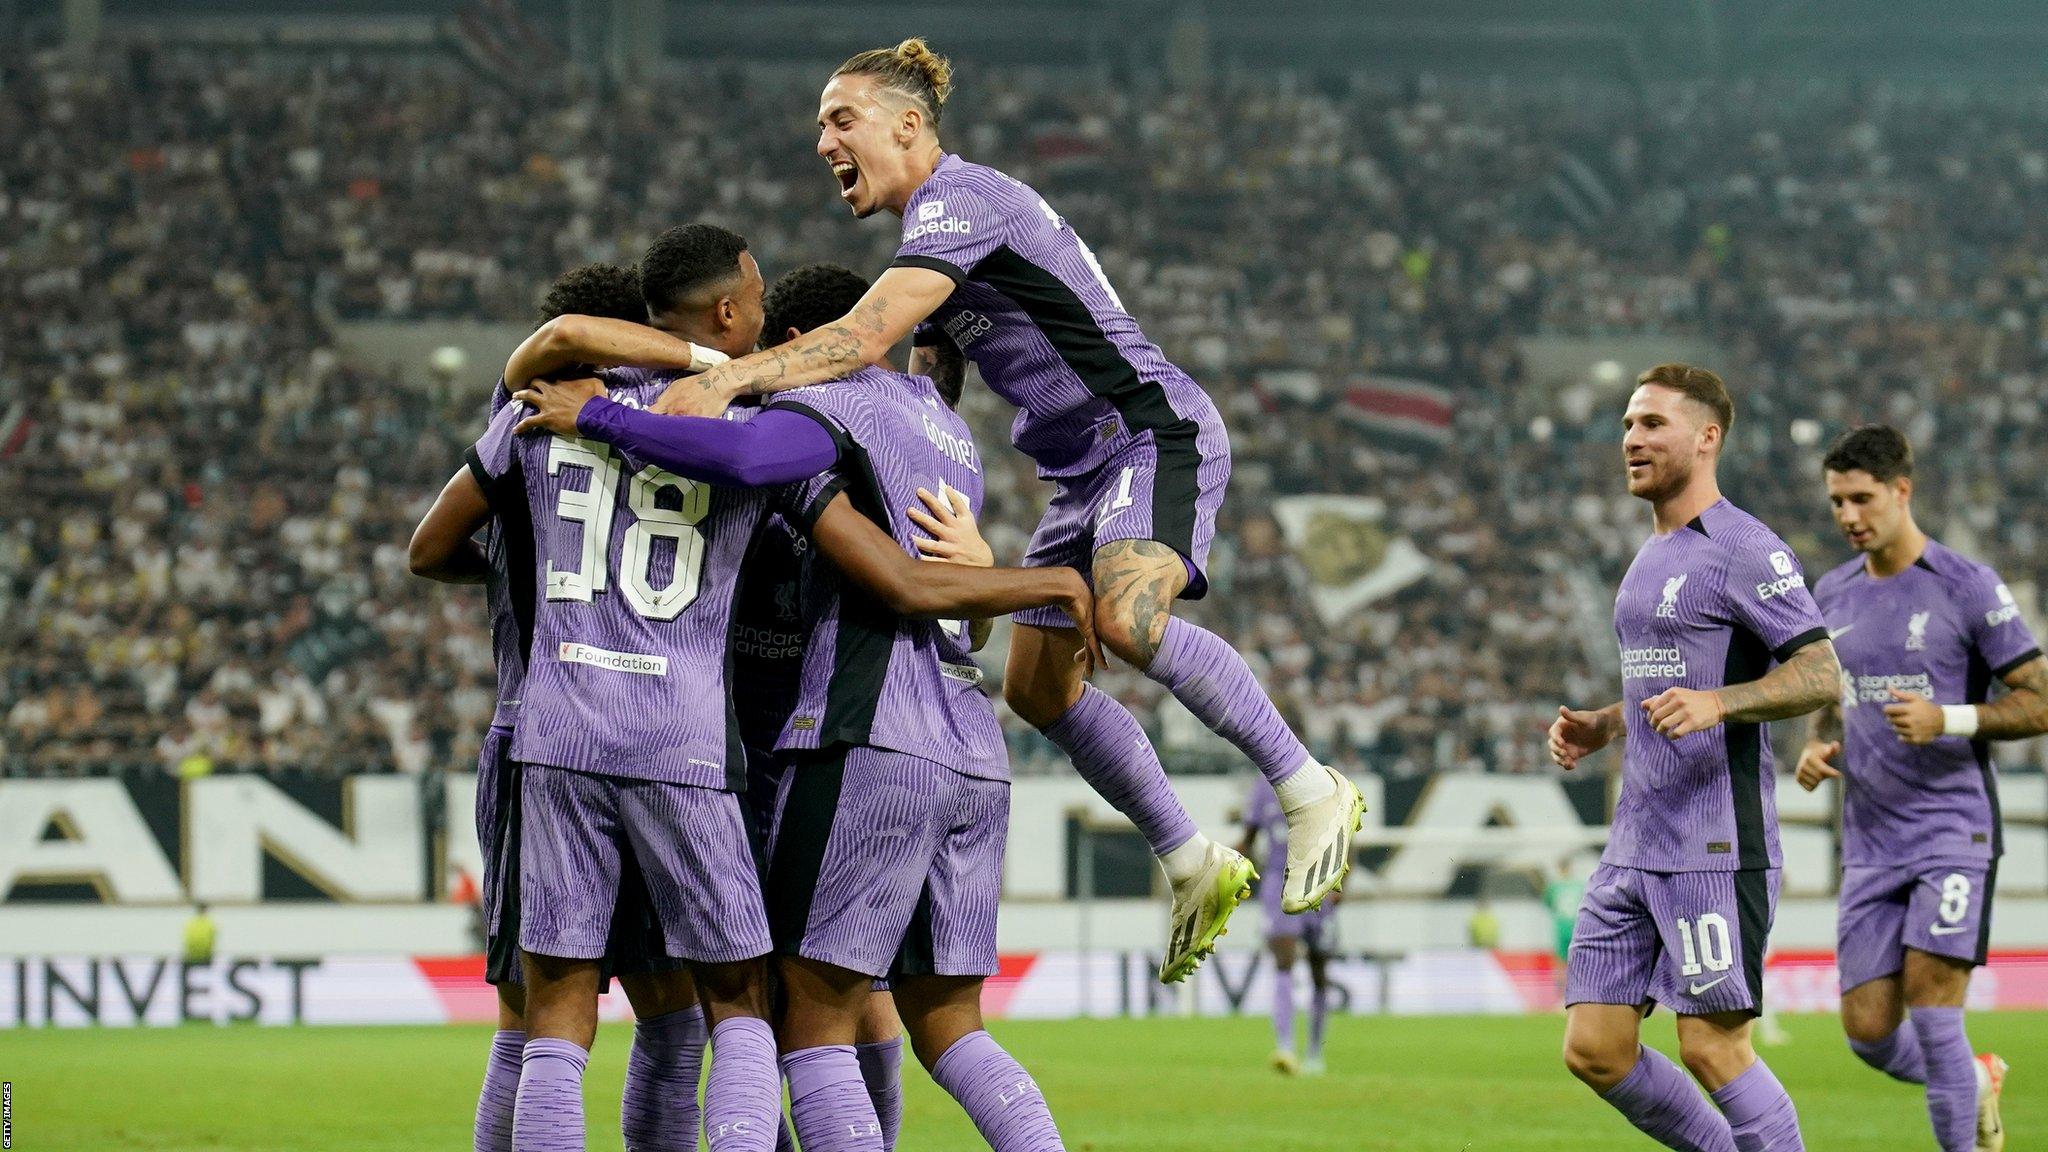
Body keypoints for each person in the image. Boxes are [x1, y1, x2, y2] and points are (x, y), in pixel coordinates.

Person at [583, 36, 1362, 984]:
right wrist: (934, 509)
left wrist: (729, 380)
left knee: (1125, 615)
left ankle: (1307, 783)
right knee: (1037, 689)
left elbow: (865, 333)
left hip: (1147, 431)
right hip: (1079, 472)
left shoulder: (965, 199)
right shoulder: (932, 242)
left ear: (909, 124)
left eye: (841, 119)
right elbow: (925, 393)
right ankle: (1191, 859)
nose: (823, 140)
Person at [517, 261, 1089, 1151]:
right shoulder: (936, 422)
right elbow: (946, 604)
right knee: (941, 1023)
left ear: (795, 350)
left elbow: (761, 463)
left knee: (799, 1018)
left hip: (853, 738)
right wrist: (987, 578)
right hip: (969, 747)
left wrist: (600, 415)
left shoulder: (822, 409)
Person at [409, 261, 708, 1152]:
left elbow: (427, 551)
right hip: (662, 732)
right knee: (674, 1011)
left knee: (534, 1013)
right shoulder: (683, 420)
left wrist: (509, 565)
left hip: (539, 731)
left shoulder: (525, 424)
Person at [1548, 363, 1840, 1151]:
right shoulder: (1650, 557)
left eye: (1652, 424)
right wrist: (1607, 724)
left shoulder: (1744, 547)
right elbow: (1673, 682)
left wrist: (1723, 702)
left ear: (1707, 438)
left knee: (1713, 1045)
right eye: (1627, 425)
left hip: (1714, 847)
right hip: (1635, 842)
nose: (1632, 439)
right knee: (1596, 1052)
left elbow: (1819, 673)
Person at [1796, 424, 2046, 1152]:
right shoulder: (1831, 593)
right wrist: (1817, 743)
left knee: (1935, 1015)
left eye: (1862, 499)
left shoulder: (1966, 586)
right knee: (1869, 1033)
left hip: (1951, 832)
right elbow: (1826, 690)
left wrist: (1952, 717)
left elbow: (2040, 697)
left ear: (1902, 491)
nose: (1847, 516)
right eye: (1837, 501)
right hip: (1870, 841)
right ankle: (1976, 1077)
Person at [1238, 778, 1337, 1076]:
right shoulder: (1261, 787)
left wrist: (1341, 881)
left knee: (1319, 971)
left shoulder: (1322, 778)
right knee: (1284, 961)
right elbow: (1249, 839)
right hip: (1278, 884)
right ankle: (1285, 1046)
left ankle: (1315, 1052)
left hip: (1319, 881)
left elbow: (1344, 832)